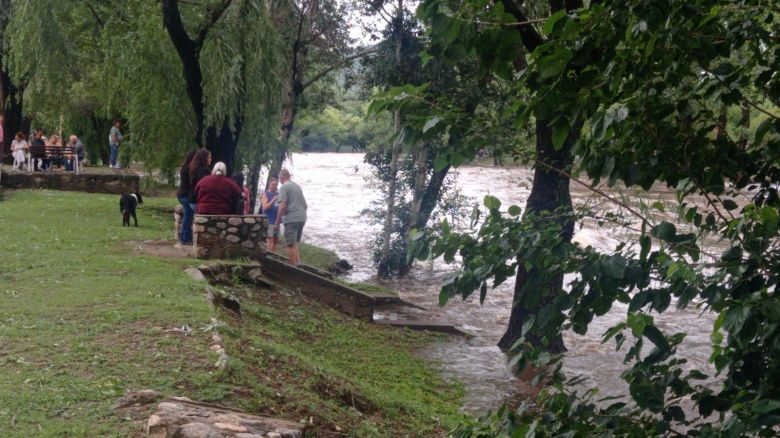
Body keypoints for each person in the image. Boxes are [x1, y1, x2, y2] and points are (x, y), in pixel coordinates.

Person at [274, 169, 307, 266]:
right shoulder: (297, 187)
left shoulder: (284, 187)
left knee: (289, 244)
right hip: (302, 217)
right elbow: (305, 206)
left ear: (282, 177)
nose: (280, 181)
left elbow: (282, 206)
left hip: (291, 218)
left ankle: (293, 268)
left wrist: (277, 222)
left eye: (280, 179)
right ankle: (298, 264)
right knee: (295, 243)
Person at [176, 149, 198, 245]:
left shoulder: (185, 167)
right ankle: (185, 239)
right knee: (188, 215)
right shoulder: (188, 169)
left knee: (188, 215)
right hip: (184, 195)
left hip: (182, 194)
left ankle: (185, 238)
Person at [188, 148, 212, 215]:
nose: (211, 159)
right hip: (198, 201)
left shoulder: (195, 168)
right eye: (209, 158)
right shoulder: (202, 171)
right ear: (204, 159)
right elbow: (203, 187)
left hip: (193, 199)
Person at [261, 177, 280, 252]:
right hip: (269, 221)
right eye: (273, 184)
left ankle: (273, 255)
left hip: (276, 222)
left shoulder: (278, 194)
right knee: (270, 240)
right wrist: (274, 199)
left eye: (276, 185)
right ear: (269, 185)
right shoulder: (266, 194)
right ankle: (268, 256)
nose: (275, 186)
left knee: (276, 240)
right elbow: (265, 207)